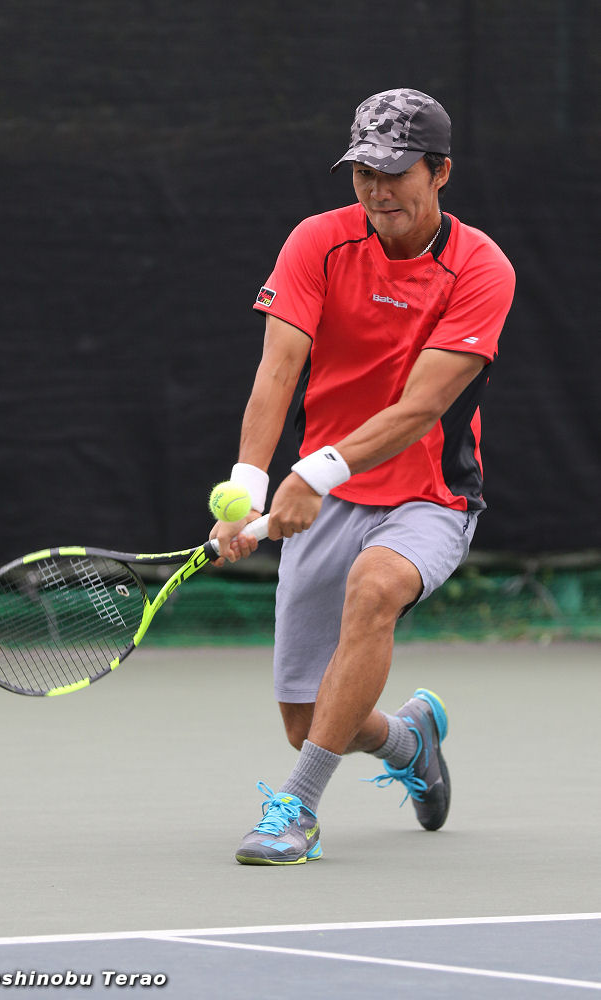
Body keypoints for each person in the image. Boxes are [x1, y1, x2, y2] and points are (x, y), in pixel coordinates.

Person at [211, 88, 515, 865]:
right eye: (363, 173)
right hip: (326, 498)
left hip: (428, 494)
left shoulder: (481, 267)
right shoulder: (317, 241)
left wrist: (311, 472)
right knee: (308, 719)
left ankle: (296, 810)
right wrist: (246, 491)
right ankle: (409, 741)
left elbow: (422, 406)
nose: (377, 191)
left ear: (439, 172)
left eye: (395, 173)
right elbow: (277, 370)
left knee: (375, 588)